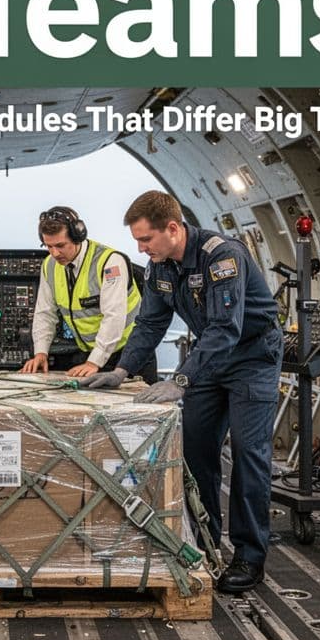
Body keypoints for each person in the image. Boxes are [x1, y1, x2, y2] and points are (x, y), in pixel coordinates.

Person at [80, 191, 281, 594]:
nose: (140, 248)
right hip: (209, 361)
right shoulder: (160, 267)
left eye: (146, 239)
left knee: (248, 454)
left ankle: (249, 555)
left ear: (172, 229)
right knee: (195, 453)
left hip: (251, 360)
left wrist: (180, 380)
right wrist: (120, 370)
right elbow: (151, 325)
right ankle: (206, 543)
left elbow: (227, 329)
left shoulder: (222, 257)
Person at [20, 206, 156, 383]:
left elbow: (113, 316)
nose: (54, 253)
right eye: (49, 246)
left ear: (78, 236)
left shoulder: (110, 263)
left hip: (130, 354)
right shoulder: (49, 265)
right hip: (91, 353)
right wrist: (41, 352)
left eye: (61, 245)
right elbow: (45, 313)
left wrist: (94, 361)